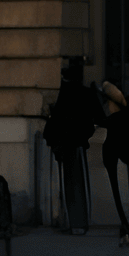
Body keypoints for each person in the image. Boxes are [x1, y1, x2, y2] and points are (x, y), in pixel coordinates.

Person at [41, 56, 100, 234]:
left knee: (70, 184)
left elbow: (57, 119)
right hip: (77, 142)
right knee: (78, 184)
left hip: (66, 143)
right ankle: (78, 223)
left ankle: (74, 223)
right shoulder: (85, 92)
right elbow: (94, 118)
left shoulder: (65, 92)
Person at [98, 80, 129, 247]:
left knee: (119, 193)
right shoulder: (127, 116)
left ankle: (126, 226)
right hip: (124, 156)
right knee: (125, 193)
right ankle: (128, 225)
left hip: (115, 157)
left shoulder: (115, 118)